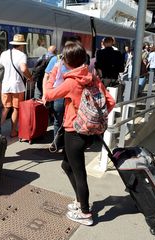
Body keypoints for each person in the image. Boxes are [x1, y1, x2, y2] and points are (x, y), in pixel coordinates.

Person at [42, 42, 116, 226]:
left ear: (66, 61)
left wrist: (52, 74)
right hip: (89, 132)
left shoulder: (71, 81)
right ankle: (79, 201)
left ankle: (85, 213)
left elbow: (49, 94)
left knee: (78, 172)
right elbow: (110, 101)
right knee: (67, 166)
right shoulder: (93, 77)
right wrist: (93, 118)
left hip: (74, 131)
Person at [0, 34, 33, 137]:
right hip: (17, 87)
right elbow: (23, 69)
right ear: (22, 45)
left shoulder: (4, 54)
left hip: (5, 85)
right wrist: (29, 78)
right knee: (16, 108)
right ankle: (13, 131)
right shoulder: (22, 55)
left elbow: (0, 67)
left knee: (5, 108)